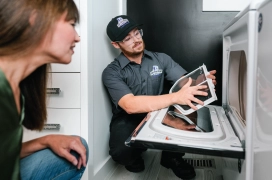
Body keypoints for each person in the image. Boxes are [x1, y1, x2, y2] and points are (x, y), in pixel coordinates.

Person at [102, 15, 217, 179]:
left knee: (189, 111)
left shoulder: (161, 58)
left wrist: (201, 81)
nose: (136, 40)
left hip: (161, 110)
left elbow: (186, 82)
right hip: (129, 117)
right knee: (121, 152)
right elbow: (130, 105)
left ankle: (172, 157)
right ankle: (135, 155)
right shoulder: (111, 72)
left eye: (137, 33)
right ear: (116, 44)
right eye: (127, 38)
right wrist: (176, 97)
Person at [0, 0, 88, 179]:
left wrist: (46, 140)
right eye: (72, 24)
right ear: (35, 20)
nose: (77, 37)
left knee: (78, 147)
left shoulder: (15, 88)